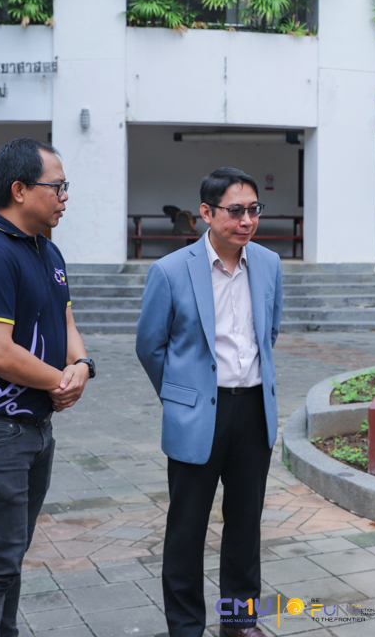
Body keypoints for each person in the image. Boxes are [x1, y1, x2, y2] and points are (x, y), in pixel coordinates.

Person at [136, 167, 283, 637]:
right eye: (235, 211)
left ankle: (239, 622)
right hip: (198, 414)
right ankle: (185, 626)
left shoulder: (268, 263)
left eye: (254, 210)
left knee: (245, 524)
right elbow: (150, 346)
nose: (247, 221)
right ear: (206, 212)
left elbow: (270, 331)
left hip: (254, 409)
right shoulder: (171, 270)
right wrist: (182, 397)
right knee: (187, 528)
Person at [0, 138, 92, 637]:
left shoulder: (47, 250)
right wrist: (60, 380)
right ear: (19, 189)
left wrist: (81, 366)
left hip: (35, 427)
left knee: (10, 556)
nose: (64, 196)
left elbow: (66, 320)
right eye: (57, 186)